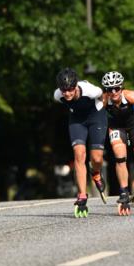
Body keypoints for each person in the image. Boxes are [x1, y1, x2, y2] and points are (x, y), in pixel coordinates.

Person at [54, 67, 107, 218]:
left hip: (96, 116)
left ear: (76, 86)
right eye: (64, 90)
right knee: (79, 154)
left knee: (96, 158)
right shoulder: (57, 95)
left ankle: (95, 173)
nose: (67, 93)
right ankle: (82, 195)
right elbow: (63, 98)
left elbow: (103, 97)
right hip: (77, 120)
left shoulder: (91, 90)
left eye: (70, 89)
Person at [100, 71, 134, 213]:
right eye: (110, 89)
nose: (114, 92)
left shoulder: (132, 97)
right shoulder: (104, 101)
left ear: (122, 88)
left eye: (117, 88)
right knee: (120, 157)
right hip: (116, 126)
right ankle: (124, 192)